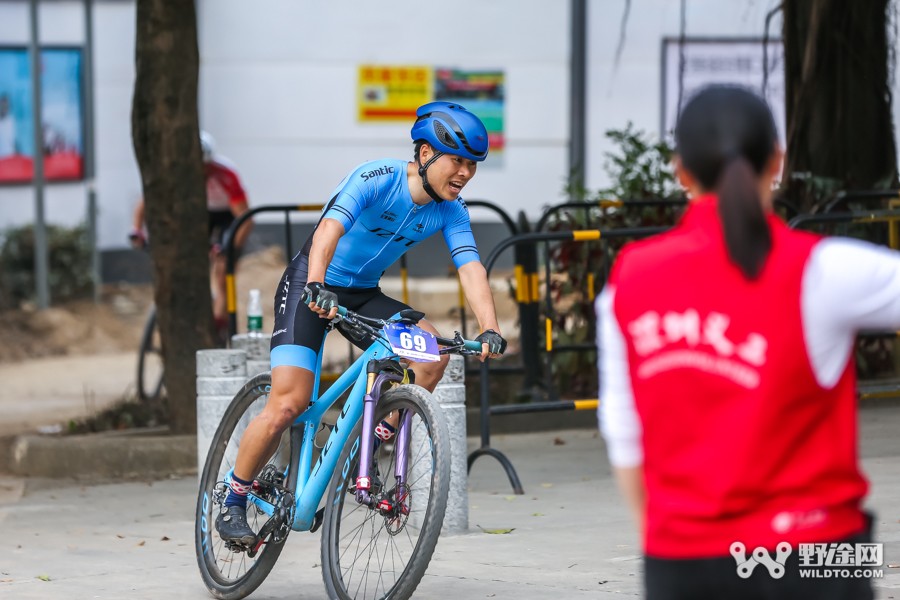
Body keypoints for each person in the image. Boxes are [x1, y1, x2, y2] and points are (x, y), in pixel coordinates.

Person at [596, 85, 891, 599]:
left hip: (681, 561)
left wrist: (667, 546)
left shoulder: (628, 280)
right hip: (816, 555)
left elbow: (625, 435)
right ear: (776, 161)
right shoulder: (823, 269)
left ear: (680, 170)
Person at [215, 101, 508, 545]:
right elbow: (330, 229)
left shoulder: (452, 209)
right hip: (310, 282)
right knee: (289, 404)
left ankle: (361, 443)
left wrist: (491, 328)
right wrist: (316, 285)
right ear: (425, 154)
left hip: (364, 292)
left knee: (431, 358)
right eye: (458, 161)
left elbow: (470, 267)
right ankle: (234, 497)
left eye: (472, 165)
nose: (465, 173)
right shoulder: (377, 177)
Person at [130, 130, 253, 333]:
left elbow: (245, 220)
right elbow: (146, 200)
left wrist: (228, 250)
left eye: (205, 168)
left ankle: (219, 320)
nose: (201, 173)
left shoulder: (225, 174)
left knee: (223, 272)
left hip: (227, 215)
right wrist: (136, 230)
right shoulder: (176, 172)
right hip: (201, 212)